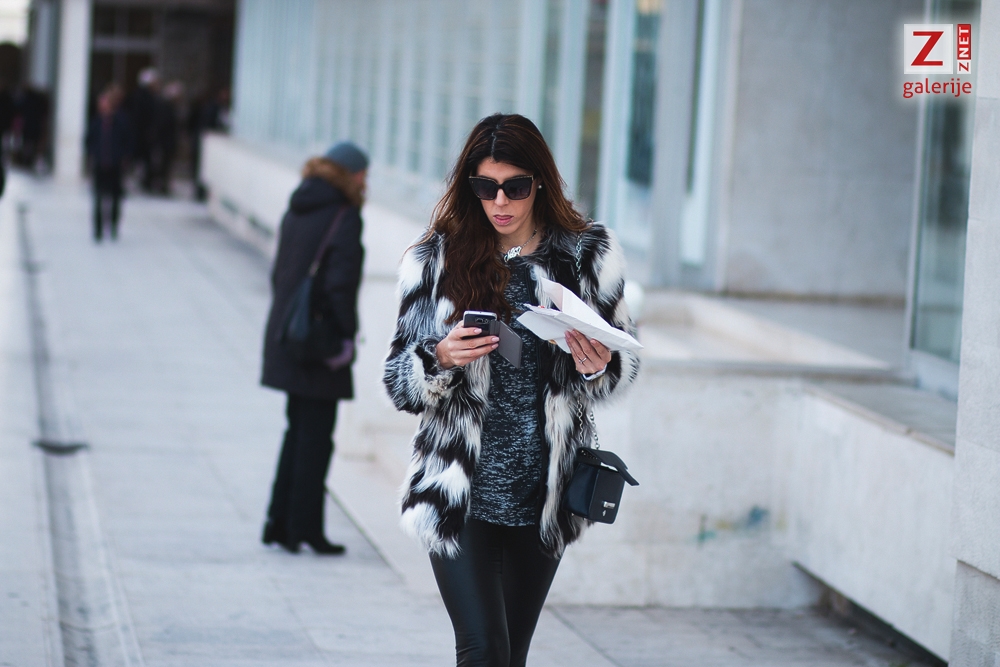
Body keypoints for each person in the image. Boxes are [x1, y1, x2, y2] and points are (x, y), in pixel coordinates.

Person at [382, 113, 639, 667]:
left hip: (542, 496)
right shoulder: (436, 260)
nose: (500, 202)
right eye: (486, 187)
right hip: (458, 492)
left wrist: (595, 367)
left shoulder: (586, 256)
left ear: (539, 182)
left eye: (515, 187)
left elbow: (622, 366)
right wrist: (439, 357)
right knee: (482, 651)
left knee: (509, 656)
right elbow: (399, 383)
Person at [261, 141, 368, 555]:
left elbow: (279, 273)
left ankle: (279, 522)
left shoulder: (298, 206)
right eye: (363, 174)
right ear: (351, 174)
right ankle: (303, 529)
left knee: (296, 431)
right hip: (319, 343)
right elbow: (339, 284)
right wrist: (346, 334)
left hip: (290, 334)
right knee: (316, 438)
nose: (366, 182)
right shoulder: (344, 214)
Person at [85, 85, 132, 242]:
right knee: (98, 197)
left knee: (115, 198)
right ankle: (98, 229)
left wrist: (123, 158)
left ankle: (113, 226)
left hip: (115, 165)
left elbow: (127, 142)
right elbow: (89, 141)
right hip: (100, 164)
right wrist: (93, 155)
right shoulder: (96, 122)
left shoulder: (121, 122)